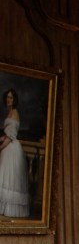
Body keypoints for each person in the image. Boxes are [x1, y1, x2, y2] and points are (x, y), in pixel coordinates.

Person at [0, 87, 30, 217]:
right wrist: (2, 138)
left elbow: (11, 135)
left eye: (11, 97)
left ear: (14, 99)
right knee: (4, 177)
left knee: (10, 178)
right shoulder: (9, 112)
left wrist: (1, 147)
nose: (9, 100)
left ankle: (10, 210)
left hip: (11, 148)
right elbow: (8, 133)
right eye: (7, 97)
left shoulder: (15, 113)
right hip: (8, 146)